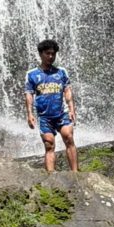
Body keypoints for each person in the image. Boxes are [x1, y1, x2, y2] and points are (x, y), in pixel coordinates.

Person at [24, 39, 78, 172]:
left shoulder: (61, 72)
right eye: (47, 54)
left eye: (53, 54)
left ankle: (76, 173)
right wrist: (30, 114)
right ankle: (51, 178)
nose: (50, 57)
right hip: (44, 116)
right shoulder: (32, 74)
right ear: (41, 54)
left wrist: (71, 109)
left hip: (61, 113)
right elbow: (29, 95)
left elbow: (67, 91)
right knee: (49, 145)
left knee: (69, 137)